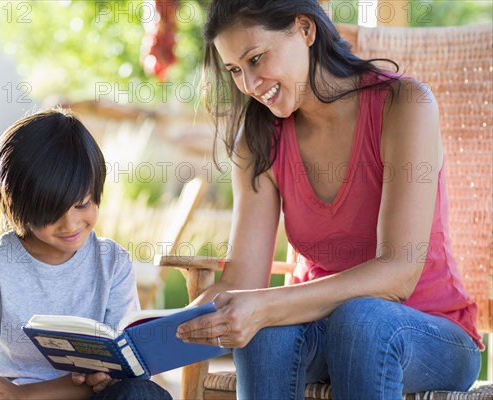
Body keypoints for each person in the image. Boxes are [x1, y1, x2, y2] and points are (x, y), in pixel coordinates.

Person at [178, 1, 483, 399]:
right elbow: (242, 283)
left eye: (256, 59)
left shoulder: (404, 104)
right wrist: (171, 326)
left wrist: (266, 307)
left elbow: (399, 273)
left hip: (431, 333)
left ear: (305, 29)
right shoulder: (259, 139)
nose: (250, 85)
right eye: (235, 70)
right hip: (323, 328)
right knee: (263, 333)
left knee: (361, 321)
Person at [0, 109, 172, 400]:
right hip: (12, 396)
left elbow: (118, 372)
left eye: (82, 204)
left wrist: (26, 394)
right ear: (17, 207)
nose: (71, 224)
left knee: (142, 392)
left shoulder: (112, 263)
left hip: (83, 397)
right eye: (52, 213)